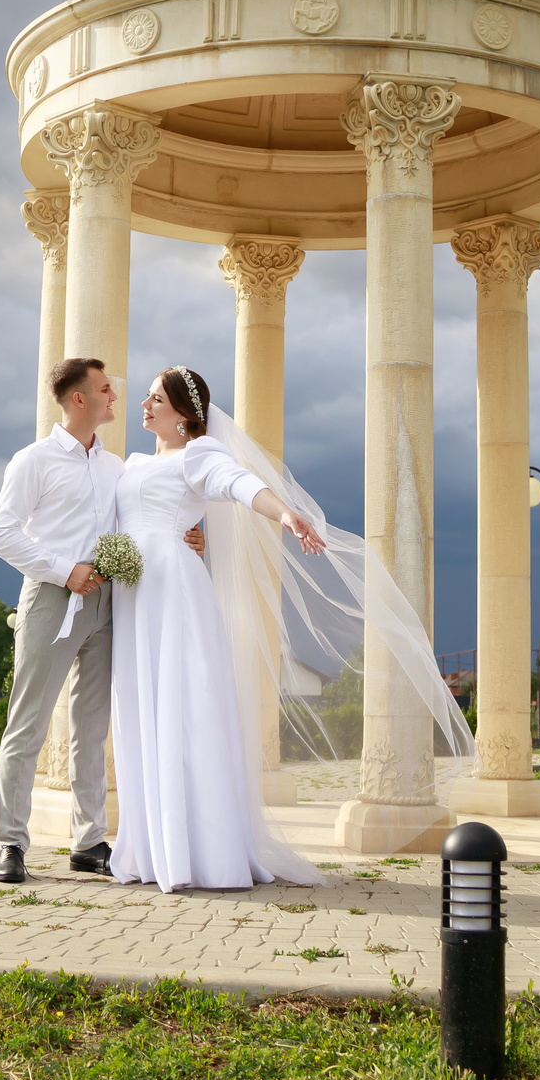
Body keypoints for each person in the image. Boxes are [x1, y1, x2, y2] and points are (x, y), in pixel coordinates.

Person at [106, 366, 330, 892]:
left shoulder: (201, 454)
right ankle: (151, 848)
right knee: (142, 708)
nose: (145, 404)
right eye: (146, 396)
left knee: (187, 708)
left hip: (174, 592)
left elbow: (241, 484)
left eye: (156, 398)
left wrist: (286, 515)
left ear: (184, 413)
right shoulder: (133, 462)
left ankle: (202, 852)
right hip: (133, 592)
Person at [0, 357, 122, 884]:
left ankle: (88, 843)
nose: (114, 396)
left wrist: (187, 537)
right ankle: (11, 843)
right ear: (79, 398)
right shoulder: (33, 461)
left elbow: (138, 522)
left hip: (107, 605)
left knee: (92, 727)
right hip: (49, 600)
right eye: (105, 389)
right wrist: (66, 571)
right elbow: (2, 534)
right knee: (29, 721)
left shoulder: (115, 468)